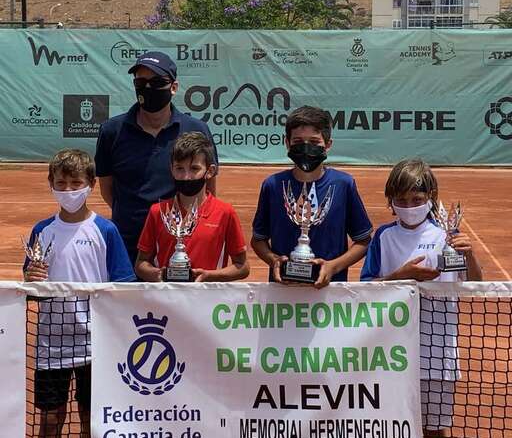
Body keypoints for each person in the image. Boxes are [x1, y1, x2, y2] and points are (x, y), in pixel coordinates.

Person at [360, 158, 483, 438]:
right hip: (390, 355)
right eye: (401, 200)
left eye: (416, 199)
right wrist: (401, 277)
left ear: (431, 197)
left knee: (434, 432)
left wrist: (470, 255)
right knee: (388, 429)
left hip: (437, 355)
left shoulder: (448, 236)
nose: (409, 206)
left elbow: (475, 285)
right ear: (391, 201)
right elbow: (366, 290)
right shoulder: (383, 237)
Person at [23, 149, 135, 438]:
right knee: (49, 421)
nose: (68, 190)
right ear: (51, 184)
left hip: (94, 342)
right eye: (61, 183)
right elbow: (30, 287)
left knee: (90, 418)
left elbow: (123, 285)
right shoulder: (42, 231)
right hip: (51, 343)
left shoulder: (106, 230)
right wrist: (31, 280)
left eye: (76, 183)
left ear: (91, 184)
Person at [95, 51, 217, 264]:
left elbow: (208, 189)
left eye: (157, 82)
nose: (148, 87)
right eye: (141, 82)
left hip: (180, 242)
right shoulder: (111, 131)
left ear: (174, 87)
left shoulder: (197, 129)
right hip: (128, 242)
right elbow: (107, 189)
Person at [251, 105, 372, 289]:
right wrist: (274, 261)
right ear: (287, 143)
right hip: (282, 294)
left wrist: (332, 267)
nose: (306, 148)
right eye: (298, 141)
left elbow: (363, 240)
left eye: (314, 142)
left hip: (330, 293)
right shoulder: (272, 185)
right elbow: (258, 240)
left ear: (328, 144)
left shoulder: (343, 184)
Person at [135, 131, 249, 283]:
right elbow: (141, 263)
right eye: (179, 168)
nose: (186, 176)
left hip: (207, 296)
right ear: (171, 169)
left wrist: (210, 276)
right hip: (166, 296)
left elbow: (242, 266)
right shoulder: (158, 212)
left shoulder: (225, 213)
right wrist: (159, 274)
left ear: (210, 171)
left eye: (194, 169)